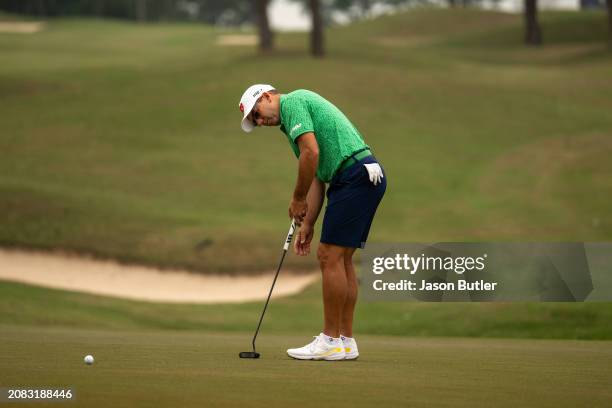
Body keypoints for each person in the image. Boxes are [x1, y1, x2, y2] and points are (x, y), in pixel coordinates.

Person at [238, 84, 386, 361]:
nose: (260, 122)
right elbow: (318, 177)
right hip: (362, 175)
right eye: (255, 122)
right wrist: (308, 224)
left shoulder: (293, 103)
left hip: (354, 175)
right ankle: (345, 342)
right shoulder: (292, 124)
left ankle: (329, 339)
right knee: (341, 259)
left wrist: (296, 198)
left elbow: (311, 154)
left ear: (267, 97)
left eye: (256, 114)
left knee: (328, 255)